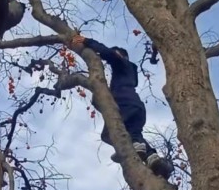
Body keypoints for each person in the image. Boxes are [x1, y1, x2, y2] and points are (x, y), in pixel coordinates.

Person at [70, 33, 174, 179]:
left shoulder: (122, 63)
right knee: (133, 132)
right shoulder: (127, 75)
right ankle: (154, 159)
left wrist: (87, 41)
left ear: (121, 55)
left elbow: (108, 53)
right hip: (135, 106)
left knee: (110, 133)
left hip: (127, 103)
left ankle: (134, 147)